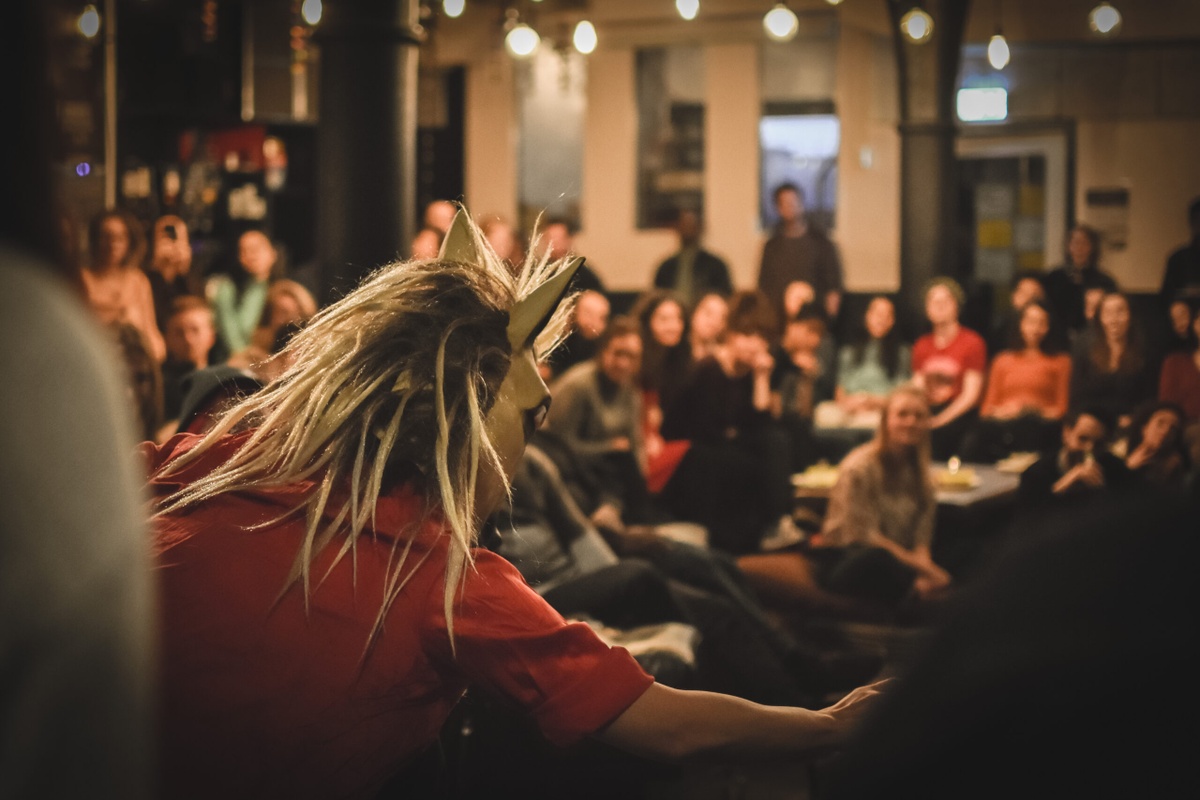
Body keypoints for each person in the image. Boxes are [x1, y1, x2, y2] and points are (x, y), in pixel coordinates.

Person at [143, 209, 884, 798]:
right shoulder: (437, 579)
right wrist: (831, 726)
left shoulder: (211, 454)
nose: (534, 438)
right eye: (530, 416)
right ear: (474, 409)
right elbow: (668, 725)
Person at [738, 385, 951, 619]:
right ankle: (911, 589)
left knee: (964, 544)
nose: (911, 422)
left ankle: (914, 586)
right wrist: (925, 570)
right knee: (878, 560)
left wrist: (924, 564)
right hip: (847, 557)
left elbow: (923, 532)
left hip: (901, 559)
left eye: (919, 416)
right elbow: (864, 536)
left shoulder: (922, 472)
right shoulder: (859, 467)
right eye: (902, 414)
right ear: (886, 420)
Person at [967, 300, 1071, 461]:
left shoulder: (1061, 361)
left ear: (1049, 326)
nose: (1035, 328)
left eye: (1041, 323)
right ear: (1020, 324)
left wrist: (1028, 410)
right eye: (1030, 322)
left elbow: (1062, 410)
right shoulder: (1002, 360)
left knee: (1028, 425)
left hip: (1040, 426)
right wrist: (1003, 412)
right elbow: (987, 409)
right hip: (1003, 427)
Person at [911, 278, 987, 461]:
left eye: (945, 300)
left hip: (960, 417)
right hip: (929, 412)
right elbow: (917, 389)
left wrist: (939, 421)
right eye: (933, 301)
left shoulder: (972, 342)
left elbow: (970, 396)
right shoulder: (922, 345)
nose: (939, 305)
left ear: (957, 306)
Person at [80, 208, 166, 363]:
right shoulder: (81, 279)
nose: (113, 244)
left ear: (129, 242)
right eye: (106, 237)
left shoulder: (137, 280)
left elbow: (151, 332)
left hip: (131, 361)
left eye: (120, 238)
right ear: (95, 240)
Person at [757, 182, 844, 323]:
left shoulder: (821, 242)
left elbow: (833, 285)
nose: (790, 206)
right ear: (778, 208)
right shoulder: (772, 246)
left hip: (815, 319)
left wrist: (830, 319)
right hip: (780, 321)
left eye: (793, 201)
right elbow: (764, 286)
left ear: (802, 203)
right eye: (785, 203)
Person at [1070, 291, 1157, 430]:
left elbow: (1150, 399)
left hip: (1131, 423)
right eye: (1107, 313)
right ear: (1100, 318)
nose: (1114, 319)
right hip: (1091, 422)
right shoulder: (1085, 351)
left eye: (1120, 312)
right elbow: (1076, 397)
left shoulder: (1145, 353)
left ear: (1131, 316)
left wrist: (1134, 419)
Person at [1016, 406, 1132, 510]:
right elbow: (1029, 519)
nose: (1089, 449)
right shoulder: (1035, 474)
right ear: (1066, 433)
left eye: (1099, 444)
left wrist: (1104, 493)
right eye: (1083, 439)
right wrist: (1063, 486)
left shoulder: (1114, 468)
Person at [830, 295, 912, 423]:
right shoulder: (848, 352)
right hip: (851, 410)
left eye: (887, 315)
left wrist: (872, 401)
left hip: (884, 411)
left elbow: (901, 394)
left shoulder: (902, 353)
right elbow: (840, 391)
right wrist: (852, 404)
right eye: (877, 314)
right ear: (867, 316)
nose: (881, 319)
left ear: (893, 321)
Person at [206, 228, 279, 359]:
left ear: (272, 253)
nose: (251, 255)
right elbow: (232, 335)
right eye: (244, 251)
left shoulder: (282, 290)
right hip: (237, 361)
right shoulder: (226, 289)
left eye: (257, 248)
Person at [1042, 224, 1117, 343]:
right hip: (1056, 338)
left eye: (1084, 243)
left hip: (1092, 339)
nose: (1079, 248)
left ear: (1092, 247)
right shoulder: (1054, 278)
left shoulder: (1104, 281)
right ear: (1068, 246)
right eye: (1075, 243)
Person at [160, 295, 219, 432]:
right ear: (167, 338)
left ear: (211, 335)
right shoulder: (158, 387)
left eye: (195, 330)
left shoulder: (224, 381)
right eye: (179, 333)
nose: (188, 339)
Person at [652, 208, 733, 308]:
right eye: (683, 224)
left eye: (691, 225)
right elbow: (656, 299)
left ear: (699, 228)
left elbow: (725, 298)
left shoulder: (715, 266)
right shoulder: (666, 267)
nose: (687, 229)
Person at [146, 214, 203, 337]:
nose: (173, 245)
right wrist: (158, 267)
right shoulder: (143, 279)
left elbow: (196, 310)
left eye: (179, 239)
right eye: (165, 238)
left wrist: (185, 268)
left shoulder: (190, 279)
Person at [1114, 400, 1190, 490]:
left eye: (1173, 429)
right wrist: (1128, 468)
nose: (1165, 431)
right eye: (1160, 423)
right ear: (1144, 428)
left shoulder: (1173, 465)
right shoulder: (1118, 451)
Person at [988, 270, 1051, 355]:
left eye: (1034, 296)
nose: (1028, 300)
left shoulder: (1052, 331)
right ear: (1013, 296)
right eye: (1024, 293)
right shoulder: (1000, 331)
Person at [1160, 196, 1200, 309]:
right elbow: (1166, 297)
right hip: (1186, 316)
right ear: (1192, 222)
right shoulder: (1178, 259)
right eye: (1197, 220)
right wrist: (1175, 306)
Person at [689, 290, 729, 364]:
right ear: (694, 313)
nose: (714, 322)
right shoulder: (677, 350)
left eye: (721, 318)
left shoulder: (721, 359)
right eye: (708, 313)